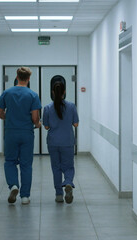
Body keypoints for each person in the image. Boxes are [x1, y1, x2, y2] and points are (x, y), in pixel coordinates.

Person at [0, 67, 42, 205]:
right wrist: (38, 124)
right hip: (27, 133)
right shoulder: (33, 95)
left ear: (16, 76)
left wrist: (10, 118)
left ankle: (13, 185)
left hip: (11, 132)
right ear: (29, 78)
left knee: (10, 161)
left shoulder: (7, 93)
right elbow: (35, 118)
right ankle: (25, 196)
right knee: (26, 165)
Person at [43, 75, 79, 204]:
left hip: (53, 142)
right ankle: (68, 183)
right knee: (69, 166)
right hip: (67, 141)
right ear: (64, 92)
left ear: (53, 92)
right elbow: (76, 124)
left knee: (56, 168)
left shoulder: (47, 108)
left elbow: (46, 126)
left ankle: (59, 194)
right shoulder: (71, 106)